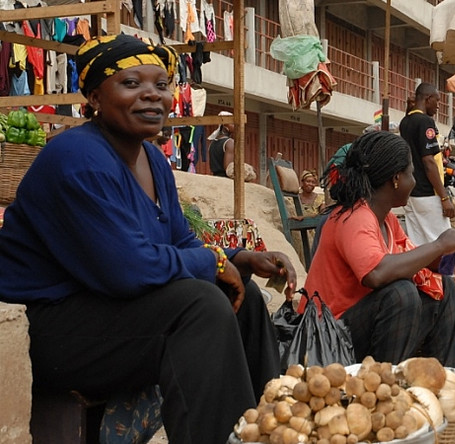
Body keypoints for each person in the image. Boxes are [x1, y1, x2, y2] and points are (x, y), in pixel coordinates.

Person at [0, 35, 298, 444]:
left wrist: (238, 258)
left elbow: (178, 240)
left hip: (103, 306)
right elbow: (127, 269)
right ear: (95, 97)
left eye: (161, 84)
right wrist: (213, 262)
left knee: (240, 299)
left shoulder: (153, 160)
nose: (152, 95)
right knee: (201, 306)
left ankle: (272, 427)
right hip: (50, 327)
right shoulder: (77, 158)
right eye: (131, 83)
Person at [302, 131, 455, 369]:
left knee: (444, 288)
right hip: (327, 335)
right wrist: (438, 245)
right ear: (396, 179)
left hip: (355, 328)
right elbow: (376, 273)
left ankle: (451, 376)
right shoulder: (354, 217)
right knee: (401, 294)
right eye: (411, 174)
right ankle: (382, 382)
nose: (414, 182)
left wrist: (449, 250)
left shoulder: (387, 220)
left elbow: (412, 262)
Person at [399, 82, 454, 245]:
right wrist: (444, 197)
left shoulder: (405, 121)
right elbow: (428, 161)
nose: (438, 106)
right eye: (437, 101)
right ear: (428, 99)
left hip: (411, 191)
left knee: (419, 244)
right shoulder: (425, 122)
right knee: (444, 243)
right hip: (427, 192)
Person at [208, 110, 235, 177]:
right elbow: (228, 169)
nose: (235, 126)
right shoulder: (230, 142)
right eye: (232, 124)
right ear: (225, 125)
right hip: (225, 180)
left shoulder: (212, 143)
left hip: (214, 178)